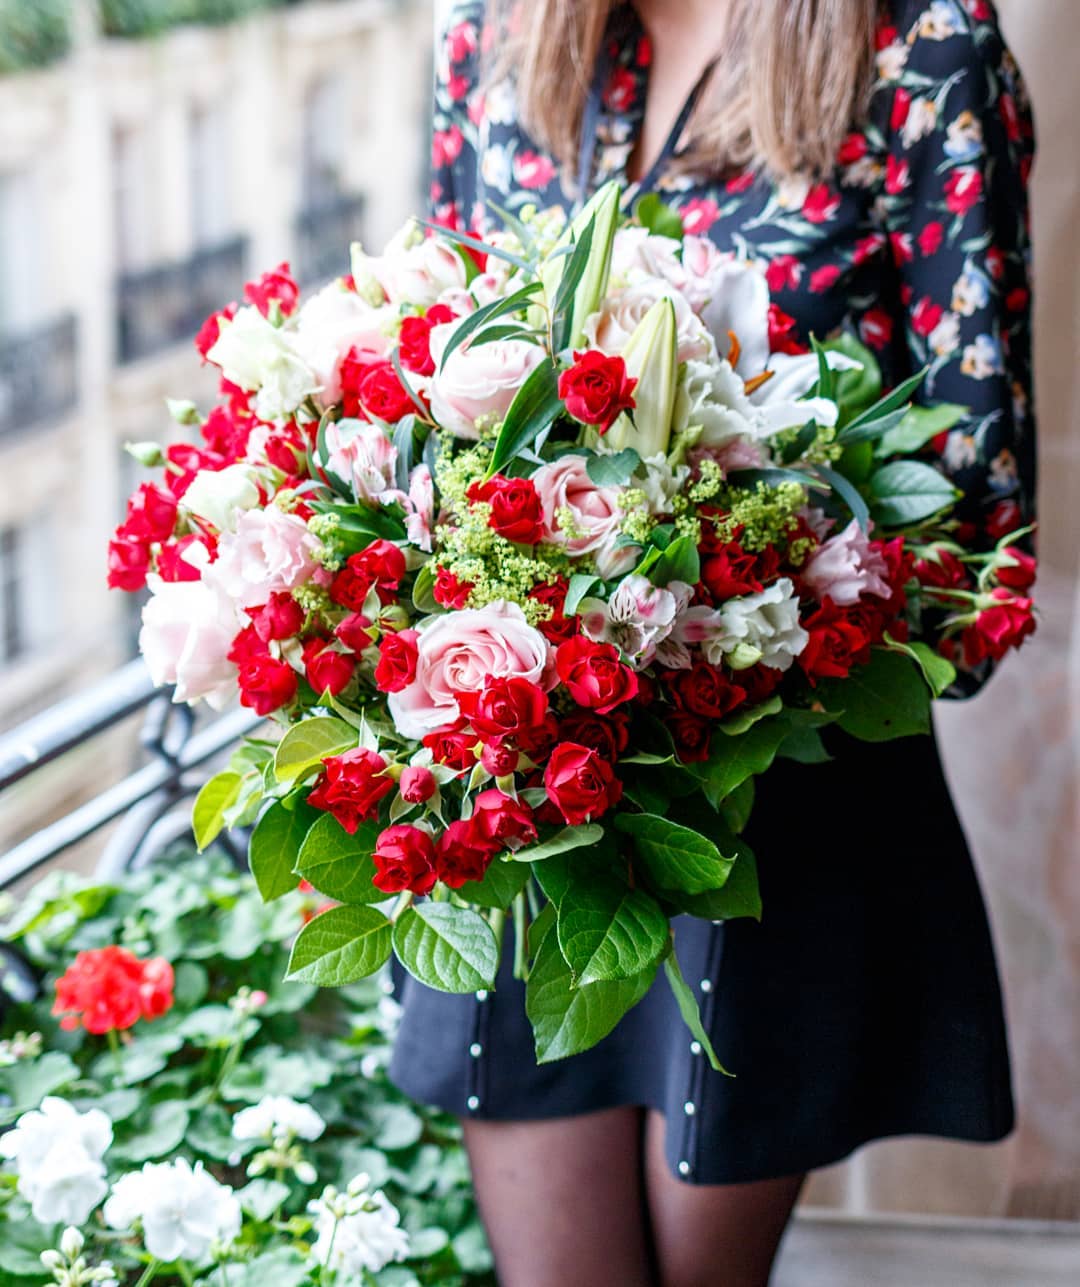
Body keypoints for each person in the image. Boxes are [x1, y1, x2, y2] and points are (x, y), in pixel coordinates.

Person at [389, 2, 1036, 1283]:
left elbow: (978, 552)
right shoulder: (492, 39)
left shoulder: (924, 48)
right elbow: (425, 394)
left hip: (774, 810)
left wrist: (709, 606)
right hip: (524, 797)